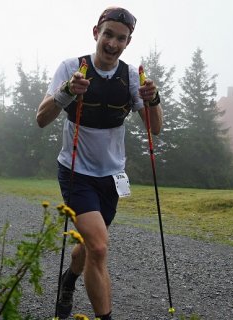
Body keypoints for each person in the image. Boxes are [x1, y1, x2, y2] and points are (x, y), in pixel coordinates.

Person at [36, 6, 163, 320]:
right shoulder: (72, 67)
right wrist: (67, 92)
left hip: (111, 177)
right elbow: (41, 118)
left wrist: (153, 98)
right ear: (96, 32)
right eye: (108, 34)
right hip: (75, 171)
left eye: (121, 38)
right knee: (100, 247)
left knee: (92, 243)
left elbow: (155, 127)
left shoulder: (131, 77)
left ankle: (69, 279)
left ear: (127, 42)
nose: (113, 43)